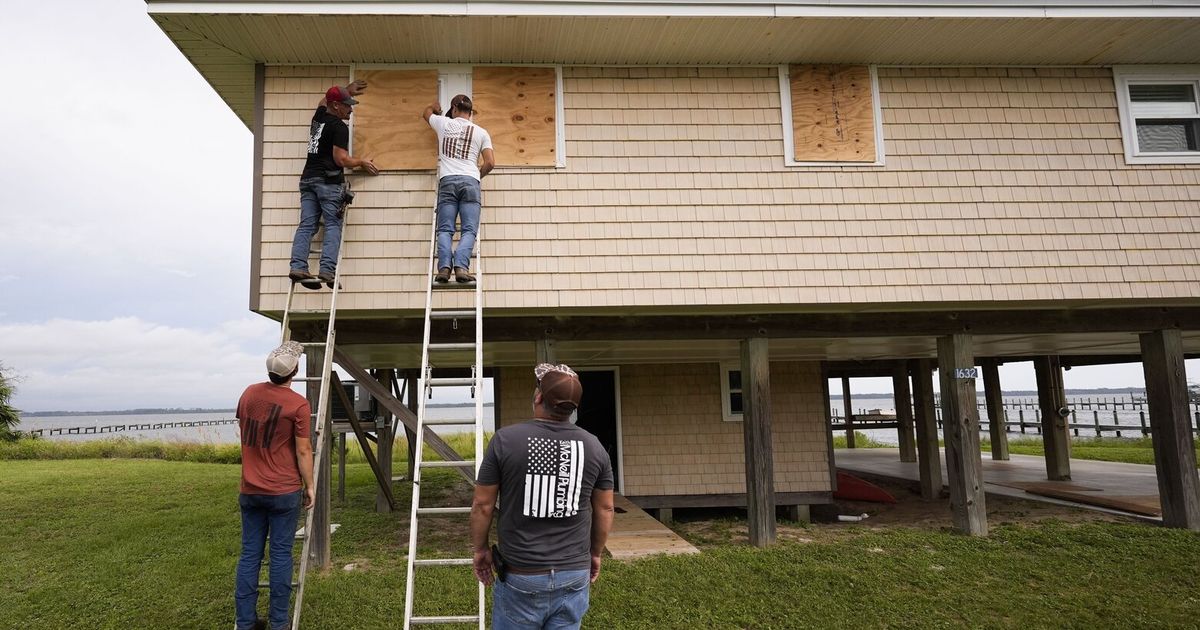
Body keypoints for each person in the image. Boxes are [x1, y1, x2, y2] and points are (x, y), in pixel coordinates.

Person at [469, 363, 615, 630]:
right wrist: (595, 554)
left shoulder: (505, 440)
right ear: (573, 408)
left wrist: (480, 549)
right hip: (574, 573)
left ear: (538, 397)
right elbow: (605, 509)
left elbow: (482, 504)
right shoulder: (594, 447)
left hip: (521, 576)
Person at [233, 341, 315, 630]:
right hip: (283, 491)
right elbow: (304, 451)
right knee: (280, 555)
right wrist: (310, 485)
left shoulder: (248, 394)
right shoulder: (298, 404)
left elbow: (246, 424)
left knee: (249, 554)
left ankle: (245, 623)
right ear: (294, 371)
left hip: (250, 490)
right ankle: (279, 623)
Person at [289, 81, 380, 288]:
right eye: (347, 104)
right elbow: (341, 159)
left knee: (307, 225)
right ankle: (327, 271)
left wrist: (347, 89)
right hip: (328, 183)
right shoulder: (339, 127)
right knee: (332, 224)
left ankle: (298, 266)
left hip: (308, 179)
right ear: (337, 106)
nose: (351, 108)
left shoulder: (318, 117)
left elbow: (323, 100)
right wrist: (362, 162)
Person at [422, 95, 496, 284]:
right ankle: (462, 267)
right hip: (470, 180)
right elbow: (490, 163)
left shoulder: (443, 124)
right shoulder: (481, 132)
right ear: (470, 113)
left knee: (445, 229)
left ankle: (444, 269)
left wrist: (434, 106)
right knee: (469, 229)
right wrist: (476, 177)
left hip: (447, 181)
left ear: (454, 109)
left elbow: (426, 114)